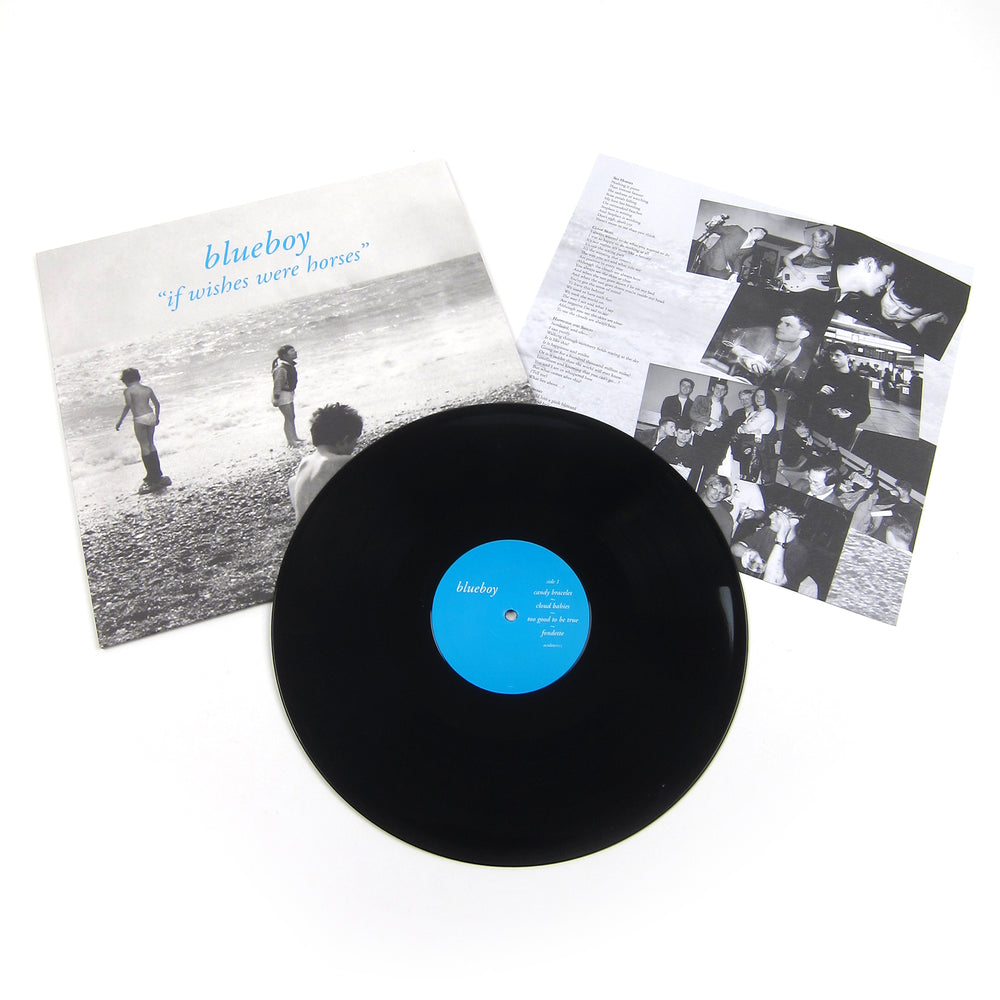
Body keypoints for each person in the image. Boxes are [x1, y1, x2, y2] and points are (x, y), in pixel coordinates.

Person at [841, 270, 955, 360]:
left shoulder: (933, 340)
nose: (892, 311)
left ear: (926, 314)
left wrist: (921, 322)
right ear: (890, 285)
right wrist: (915, 328)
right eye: (892, 299)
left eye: (906, 311)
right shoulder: (858, 303)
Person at [288, 404, 364, 522]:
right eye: (354, 442)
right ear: (344, 440)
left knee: (292, 481)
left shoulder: (305, 463)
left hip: (307, 532)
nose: (354, 448)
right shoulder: (342, 462)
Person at [731, 504, 817, 596]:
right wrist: (749, 552)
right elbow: (734, 548)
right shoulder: (767, 532)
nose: (770, 516)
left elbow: (772, 580)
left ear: (793, 521)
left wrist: (781, 539)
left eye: (778, 514)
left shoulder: (800, 551)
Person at [719, 310, 814, 390]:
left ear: (803, 334)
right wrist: (742, 354)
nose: (779, 326)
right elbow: (727, 337)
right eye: (781, 322)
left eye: (788, 325)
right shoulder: (764, 333)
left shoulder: (806, 365)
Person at [800, 346, 871, 445]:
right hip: (818, 428)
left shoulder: (859, 382)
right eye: (831, 355)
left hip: (841, 433)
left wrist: (850, 416)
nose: (833, 358)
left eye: (838, 355)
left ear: (847, 357)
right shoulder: (821, 374)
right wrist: (819, 393)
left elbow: (864, 410)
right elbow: (804, 396)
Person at [114, 367, 170, 490]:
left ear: (126, 380)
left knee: (144, 446)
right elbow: (157, 404)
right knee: (151, 444)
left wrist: (120, 421)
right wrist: (157, 417)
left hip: (139, 418)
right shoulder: (147, 389)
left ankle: (150, 476)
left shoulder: (128, 391)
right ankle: (158, 474)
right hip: (150, 416)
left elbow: (128, 405)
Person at [690, 379, 731, 470]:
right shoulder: (701, 399)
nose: (719, 391)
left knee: (709, 467)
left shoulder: (724, 409)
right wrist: (712, 421)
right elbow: (693, 414)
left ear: (725, 392)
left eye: (722, 389)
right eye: (717, 388)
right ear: (713, 388)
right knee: (695, 466)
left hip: (714, 438)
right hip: (701, 434)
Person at [272, 345, 306, 446]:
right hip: (282, 395)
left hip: (288, 393)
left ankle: (294, 437)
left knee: (292, 417)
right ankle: (290, 441)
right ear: (285, 355)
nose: (295, 352)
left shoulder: (288, 366)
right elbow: (278, 384)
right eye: (292, 351)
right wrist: (276, 398)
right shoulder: (281, 368)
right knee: (288, 417)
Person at [698, 474, 736, 539]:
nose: (717, 495)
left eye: (722, 493)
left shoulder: (726, 519)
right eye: (715, 489)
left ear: (725, 496)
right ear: (706, 485)